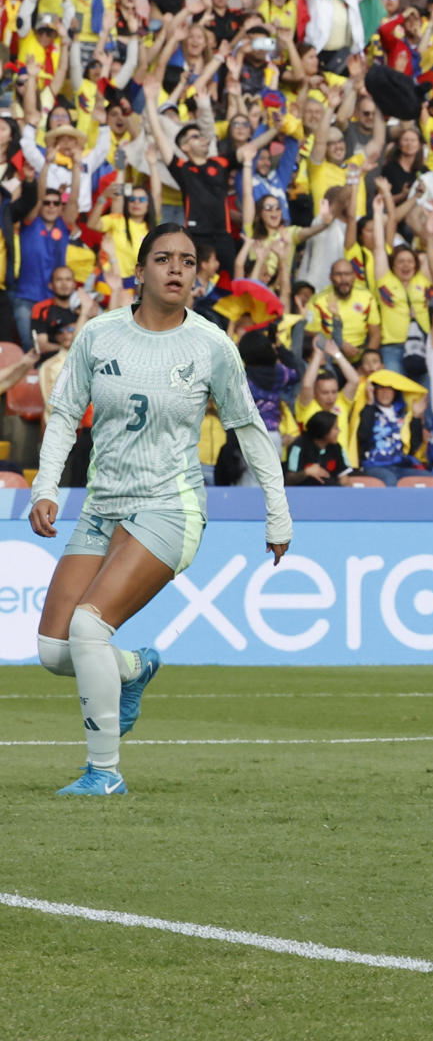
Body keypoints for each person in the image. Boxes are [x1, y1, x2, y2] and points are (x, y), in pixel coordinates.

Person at [29, 223, 293, 796]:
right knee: (54, 651)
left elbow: (250, 430)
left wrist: (278, 513)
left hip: (170, 508)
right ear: (141, 270)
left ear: (197, 275)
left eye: (188, 261)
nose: (177, 269)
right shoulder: (99, 336)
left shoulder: (211, 345)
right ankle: (133, 668)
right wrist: (45, 487)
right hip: (103, 507)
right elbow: (63, 415)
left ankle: (104, 773)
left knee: (88, 627)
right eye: (164, 258)